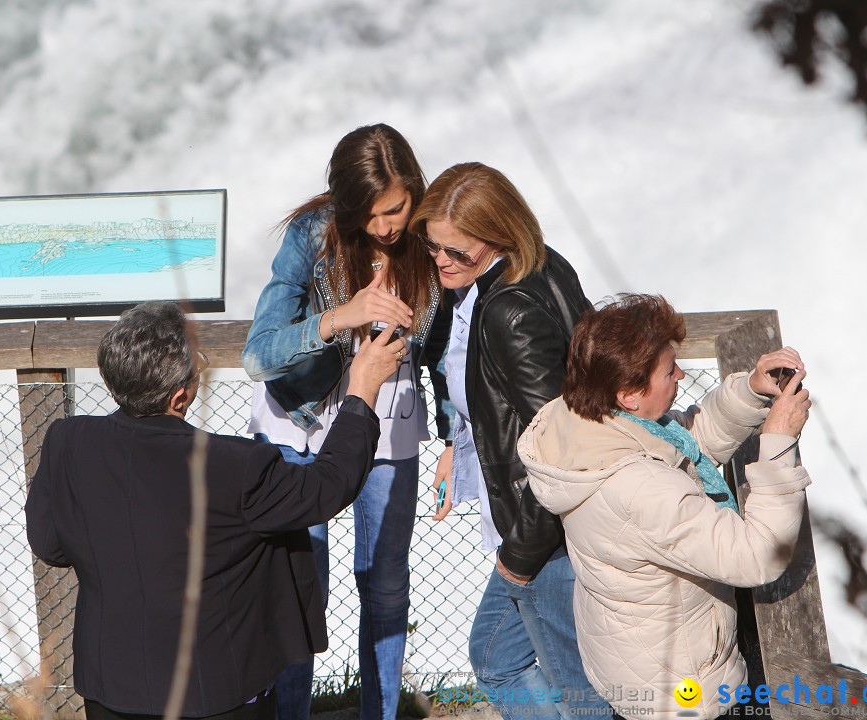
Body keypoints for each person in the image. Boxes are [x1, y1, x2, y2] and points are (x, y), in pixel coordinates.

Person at [25, 301, 406, 720]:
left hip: (109, 687)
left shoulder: (68, 441)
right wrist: (363, 388)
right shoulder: (234, 466)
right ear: (180, 394)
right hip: (219, 692)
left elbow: (51, 546)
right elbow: (328, 486)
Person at [516, 294, 812, 719]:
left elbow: (688, 447)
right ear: (630, 394)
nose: (681, 374)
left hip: (644, 670)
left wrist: (749, 392)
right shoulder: (638, 487)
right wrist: (779, 444)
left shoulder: (589, 423)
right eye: (669, 369)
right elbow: (757, 556)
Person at [241, 124, 451, 720]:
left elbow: (446, 347)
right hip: (301, 425)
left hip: (391, 419)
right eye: (372, 212)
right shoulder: (314, 235)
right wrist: (339, 317)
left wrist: (456, 435)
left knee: (384, 585)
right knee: (301, 588)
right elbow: (258, 355)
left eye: (398, 207)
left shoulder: (431, 239)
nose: (386, 225)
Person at [409, 162, 614, 720]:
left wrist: (521, 555)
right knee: (496, 654)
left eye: (458, 252)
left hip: (548, 534)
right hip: (553, 528)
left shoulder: (506, 310)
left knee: (580, 694)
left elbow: (563, 445)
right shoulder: (544, 266)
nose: (443, 263)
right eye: (434, 249)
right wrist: (459, 441)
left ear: (498, 234)